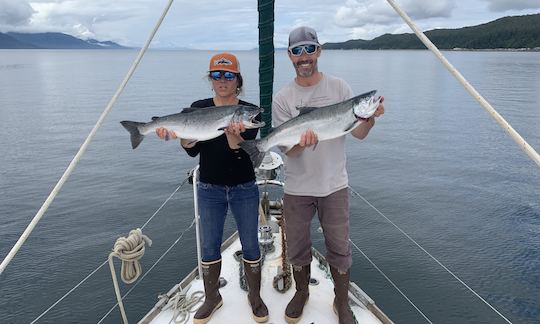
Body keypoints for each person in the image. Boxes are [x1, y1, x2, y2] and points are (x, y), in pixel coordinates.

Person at [272, 27, 385, 324]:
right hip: (297, 188)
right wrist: (299, 141)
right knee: (297, 246)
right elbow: (290, 153)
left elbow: (358, 132)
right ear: (289, 56)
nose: (304, 56)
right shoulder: (283, 98)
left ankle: (342, 301)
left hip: (334, 185)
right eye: (297, 51)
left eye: (309, 49)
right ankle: (301, 293)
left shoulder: (340, 88)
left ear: (319, 51)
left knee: (339, 247)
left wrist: (370, 117)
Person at [156, 52, 268, 324]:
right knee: (209, 246)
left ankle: (255, 296)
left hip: (243, 187)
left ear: (238, 79)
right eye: (216, 75)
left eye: (228, 75)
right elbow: (192, 151)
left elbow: (242, 153)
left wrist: (235, 135)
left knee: (251, 244)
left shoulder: (249, 112)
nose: (222, 80)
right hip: (209, 189)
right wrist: (181, 138)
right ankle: (211, 297)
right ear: (210, 78)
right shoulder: (199, 107)